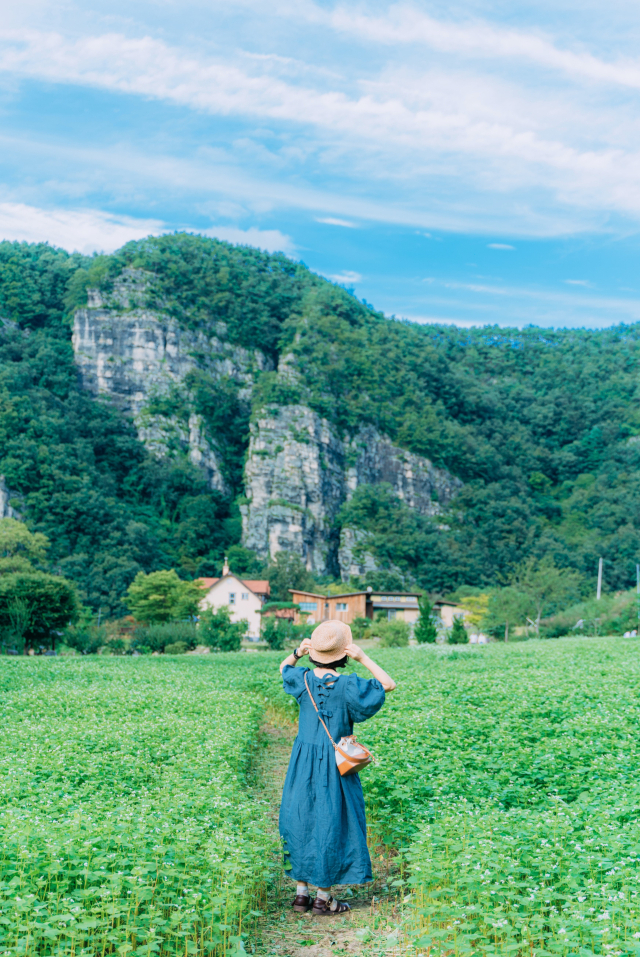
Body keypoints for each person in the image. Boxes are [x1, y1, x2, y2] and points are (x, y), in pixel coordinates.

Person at [278, 619, 396, 916]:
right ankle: (324, 897)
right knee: (333, 819)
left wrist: (297, 652)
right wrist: (364, 657)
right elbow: (388, 684)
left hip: (302, 760)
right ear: (344, 653)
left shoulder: (302, 679)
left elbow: (283, 669)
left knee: (302, 818)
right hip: (335, 763)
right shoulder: (348, 685)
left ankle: (301, 894)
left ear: (313, 652)